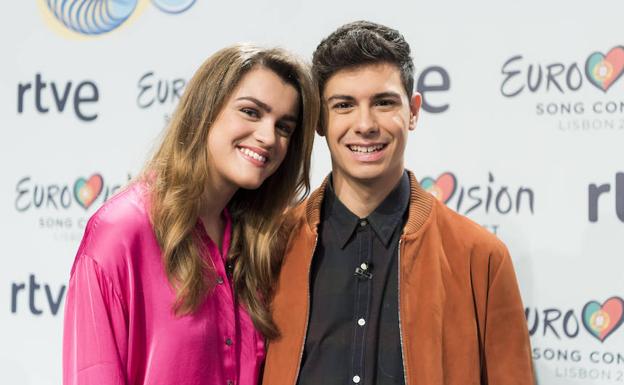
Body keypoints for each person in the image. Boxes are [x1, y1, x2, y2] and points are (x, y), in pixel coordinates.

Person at [263, 21, 534, 385]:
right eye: (344, 105)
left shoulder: (481, 259)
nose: (365, 124)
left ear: (413, 111)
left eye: (383, 103)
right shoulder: (268, 248)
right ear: (320, 120)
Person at [62, 44, 318, 385]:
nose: (268, 137)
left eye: (284, 127)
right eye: (251, 112)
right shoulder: (122, 230)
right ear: (205, 110)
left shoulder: (260, 242)